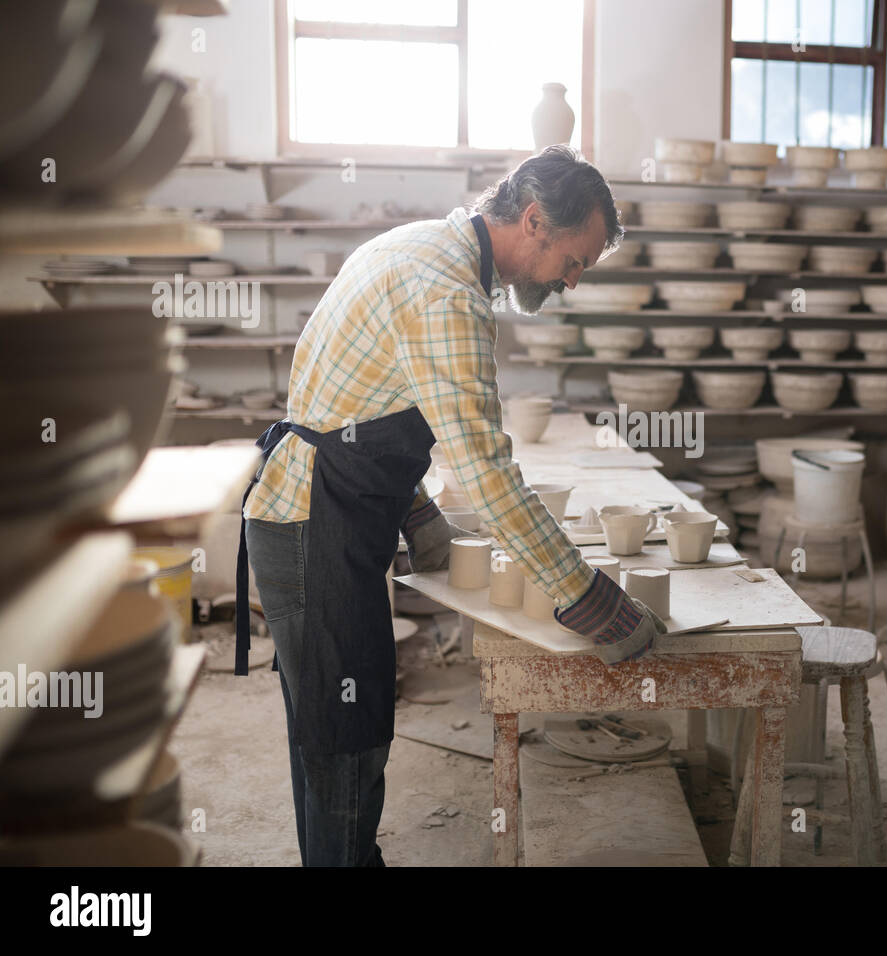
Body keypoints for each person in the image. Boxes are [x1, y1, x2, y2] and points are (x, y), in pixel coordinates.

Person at [236, 146, 665, 867]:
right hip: (314, 522)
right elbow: (489, 476)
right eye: (574, 260)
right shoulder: (449, 296)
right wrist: (590, 601)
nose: (573, 280)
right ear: (533, 221)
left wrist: (421, 520)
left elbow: (356, 405)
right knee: (344, 737)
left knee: (336, 730)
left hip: (318, 509)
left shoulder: (423, 246)